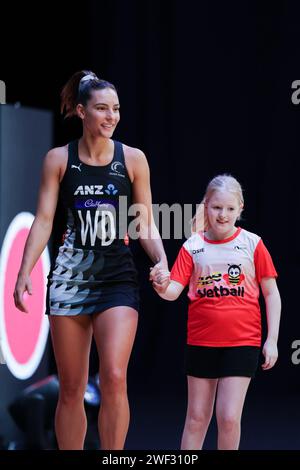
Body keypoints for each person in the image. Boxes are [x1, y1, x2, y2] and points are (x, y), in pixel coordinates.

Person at [13, 70, 168, 450]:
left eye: (115, 109)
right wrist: (23, 271)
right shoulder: (57, 159)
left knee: (114, 375)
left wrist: (161, 260)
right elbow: (44, 220)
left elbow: (143, 221)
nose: (111, 116)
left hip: (117, 276)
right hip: (69, 278)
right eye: (102, 108)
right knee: (72, 388)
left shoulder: (133, 159)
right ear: (81, 112)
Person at [151, 174, 281, 450]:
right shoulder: (193, 246)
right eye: (217, 207)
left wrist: (272, 340)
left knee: (229, 418)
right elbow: (172, 292)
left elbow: (272, 294)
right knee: (197, 418)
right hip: (201, 342)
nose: (223, 215)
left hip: (242, 342)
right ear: (206, 206)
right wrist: (160, 284)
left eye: (230, 209)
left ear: (240, 209)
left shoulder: (252, 244)